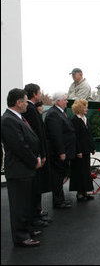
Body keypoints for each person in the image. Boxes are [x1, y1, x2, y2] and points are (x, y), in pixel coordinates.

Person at [1, 88, 42, 247]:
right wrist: (34, 161)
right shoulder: (8, 120)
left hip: (25, 169)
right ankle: (21, 236)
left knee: (26, 203)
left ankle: (28, 229)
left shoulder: (16, 118)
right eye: (25, 101)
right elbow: (20, 147)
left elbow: (28, 141)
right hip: (19, 170)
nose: (27, 104)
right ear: (18, 103)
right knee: (19, 206)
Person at [22, 84, 52, 227]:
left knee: (36, 187)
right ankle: (35, 216)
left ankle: (37, 212)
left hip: (38, 153)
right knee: (35, 188)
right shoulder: (30, 109)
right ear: (34, 94)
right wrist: (42, 153)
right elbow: (36, 134)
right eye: (39, 92)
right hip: (36, 155)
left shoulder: (32, 108)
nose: (41, 94)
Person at [45, 92, 76, 209]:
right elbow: (56, 136)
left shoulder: (59, 112)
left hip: (63, 151)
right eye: (64, 100)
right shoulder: (54, 114)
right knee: (57, 177)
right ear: (58, 101)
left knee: (59, 176)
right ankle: (58, 201)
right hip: (58, 153)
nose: (66, 101)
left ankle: (60, 200)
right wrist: (61, 152)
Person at [69, 99, 96, 202]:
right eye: (85, 107)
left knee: (85, 172)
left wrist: (92, 147)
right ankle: (79, 193)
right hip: (79, 151)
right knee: (79, 172)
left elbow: (89, 135)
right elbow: (75, 137)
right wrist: (78, 151)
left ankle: (85, 192)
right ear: (79, 108)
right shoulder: (75, 120)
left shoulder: (85, 119)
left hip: (86, 150)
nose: (86, 109)